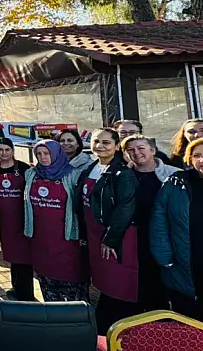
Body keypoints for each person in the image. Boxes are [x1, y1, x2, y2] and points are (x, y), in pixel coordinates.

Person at [77, 128, 140, 333]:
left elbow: (125, 209)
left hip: (114, 236)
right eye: (96, 142)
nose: (100, 146)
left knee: (118, 281)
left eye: (106, 142)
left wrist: (111, 239)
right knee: (103, 279)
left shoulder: (123, 173)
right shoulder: (91, 168)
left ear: (116, 146)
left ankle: (119, 327)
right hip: (94, 234)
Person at [24, 140, 88, 302]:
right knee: (46, 276)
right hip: (41, 236)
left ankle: (76, 316)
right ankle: (53, 314)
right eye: (39, 154)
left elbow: (80, 206)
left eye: (47, 153)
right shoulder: (31, 174)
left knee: (70, 277)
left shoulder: (73, 174)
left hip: (66, 237)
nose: (43, 157)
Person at [151, 138, 203, 321]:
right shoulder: (176, 182)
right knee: (190, 324)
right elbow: (159, 221)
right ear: (189, 159)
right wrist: (165, 258)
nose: (202, 160)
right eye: (197, 155)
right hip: (186, 264)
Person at [123, 135, 179, 311]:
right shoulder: (122, 175)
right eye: (130, 150)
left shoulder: (174, 174)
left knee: (162, 281)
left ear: (153, 151)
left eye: (141, 148)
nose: (136, 153)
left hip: (164, 236)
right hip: (133, 236)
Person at [0, 138, 34, 301]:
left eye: (7, 150)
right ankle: (16, 287)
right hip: (5, 221)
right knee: (11, 256)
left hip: (21, 220)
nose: (4, 153)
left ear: (12, 150)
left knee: (24, 258)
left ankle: (26, 294)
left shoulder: (23, 169)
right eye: (0, 150)